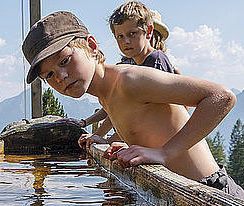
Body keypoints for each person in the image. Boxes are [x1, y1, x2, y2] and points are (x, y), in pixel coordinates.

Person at [22, 11, 244, 199]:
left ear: (91, 46)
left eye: (65, 60)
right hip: (184, 195)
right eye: (49, 75)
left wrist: (164, 153)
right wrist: (120, 142)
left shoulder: (129, 80)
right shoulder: (105, 94)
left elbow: (221, 97)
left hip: (213, 192)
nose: (60, 76)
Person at [65, 2, 177, 148]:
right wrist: (93, 129)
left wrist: (108, 139)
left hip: (165, 145)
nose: (126, 41)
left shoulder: (155, 61)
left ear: (149, 32)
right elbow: (114, 108)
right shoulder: (133, 65)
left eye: (132, 34)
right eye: (120, 36)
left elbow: (144, 116)